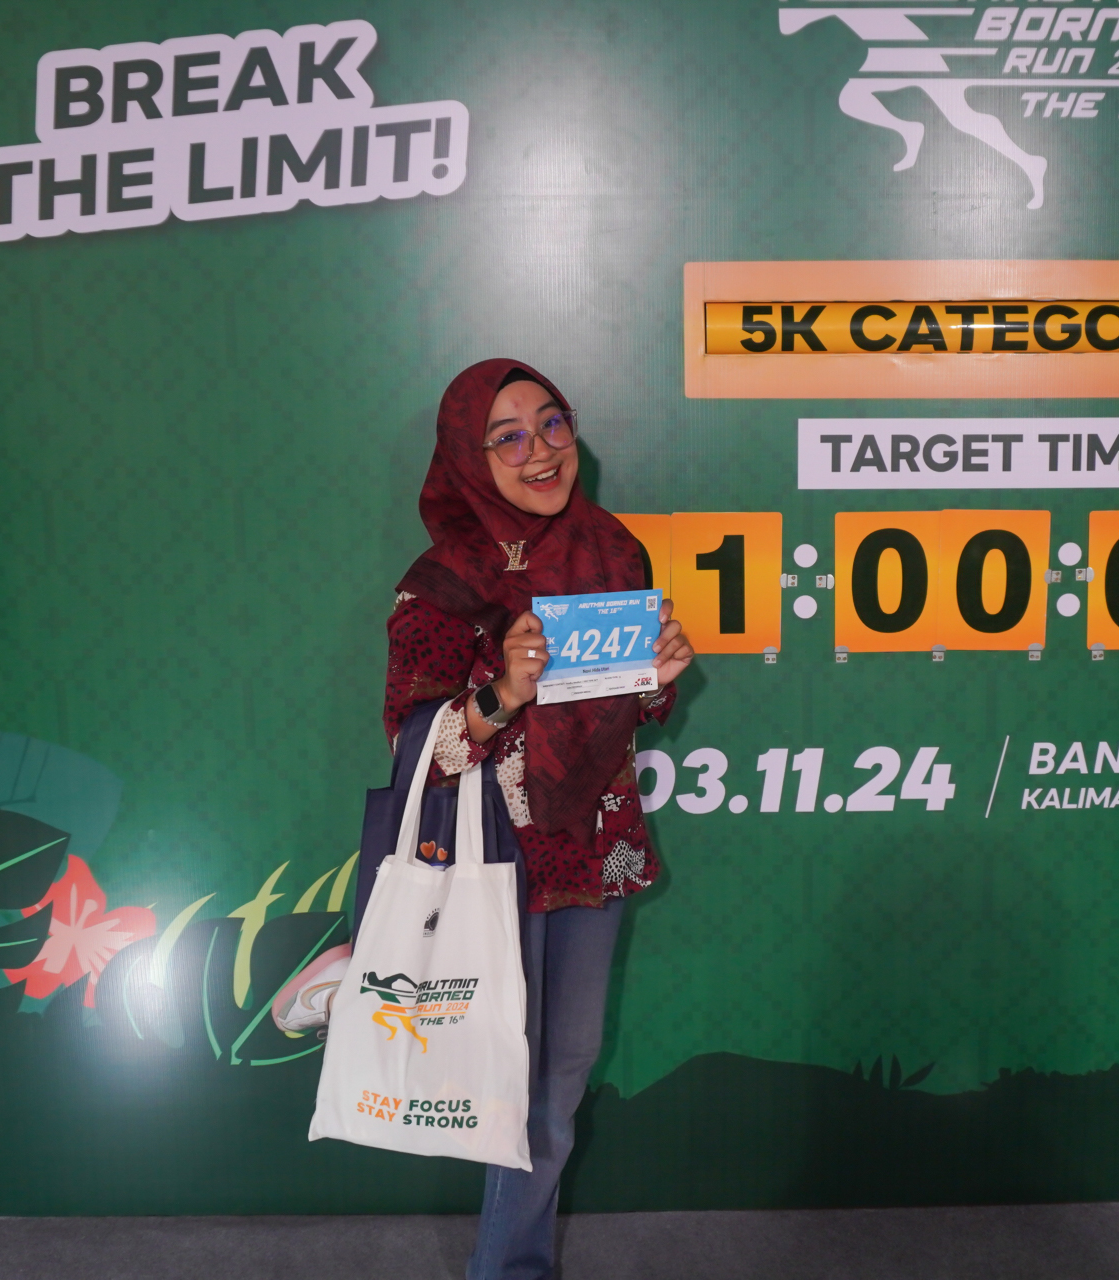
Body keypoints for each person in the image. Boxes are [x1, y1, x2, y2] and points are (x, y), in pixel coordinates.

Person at [383, 358, 694, 1280]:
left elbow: (622, 708)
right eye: (507, 437)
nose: (540, 451)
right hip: (493, 857)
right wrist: (503, 694)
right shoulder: (442, 581)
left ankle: (512, 1264)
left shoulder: (612, 550)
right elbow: (417, 748)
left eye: (552, 423)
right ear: (469, 459)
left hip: (592, 849)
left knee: (561, 1077)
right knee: (504, 1079)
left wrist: (656, 680)